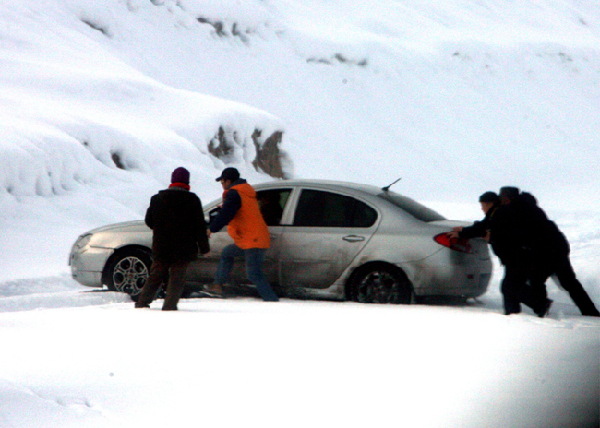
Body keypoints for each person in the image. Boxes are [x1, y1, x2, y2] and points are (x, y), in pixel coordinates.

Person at [135, 167, 210, 310]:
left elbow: (149, 220)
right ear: (187, 182)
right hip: (184, 247)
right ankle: (169, 306)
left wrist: (160, 229)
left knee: (156, 275)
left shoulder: (157, 199)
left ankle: (142, 302)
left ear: (172, 181)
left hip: (162, 245)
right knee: (177, 279)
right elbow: (200, 226)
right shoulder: (192, 200)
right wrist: (204, 247)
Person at [518, 192, 600, 317]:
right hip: (558, 255)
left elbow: (531, 240)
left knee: (536, 280)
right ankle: (590, 311)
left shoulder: (528, 219)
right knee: (571, 284)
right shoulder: (542, 217)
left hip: (545, 256)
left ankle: (541, 307)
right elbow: (560, 241)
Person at [206, 167, 279, 301]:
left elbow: (226, 214)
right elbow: (239, 211)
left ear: (228, 181)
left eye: (222, 182)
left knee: (254, 274)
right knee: (227, 252)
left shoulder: (234, 193)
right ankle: (217, 285)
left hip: (253, 239)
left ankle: (272, 300)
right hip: (250, 238)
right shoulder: (245, 192)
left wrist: (212, 228)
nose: (222, 185)